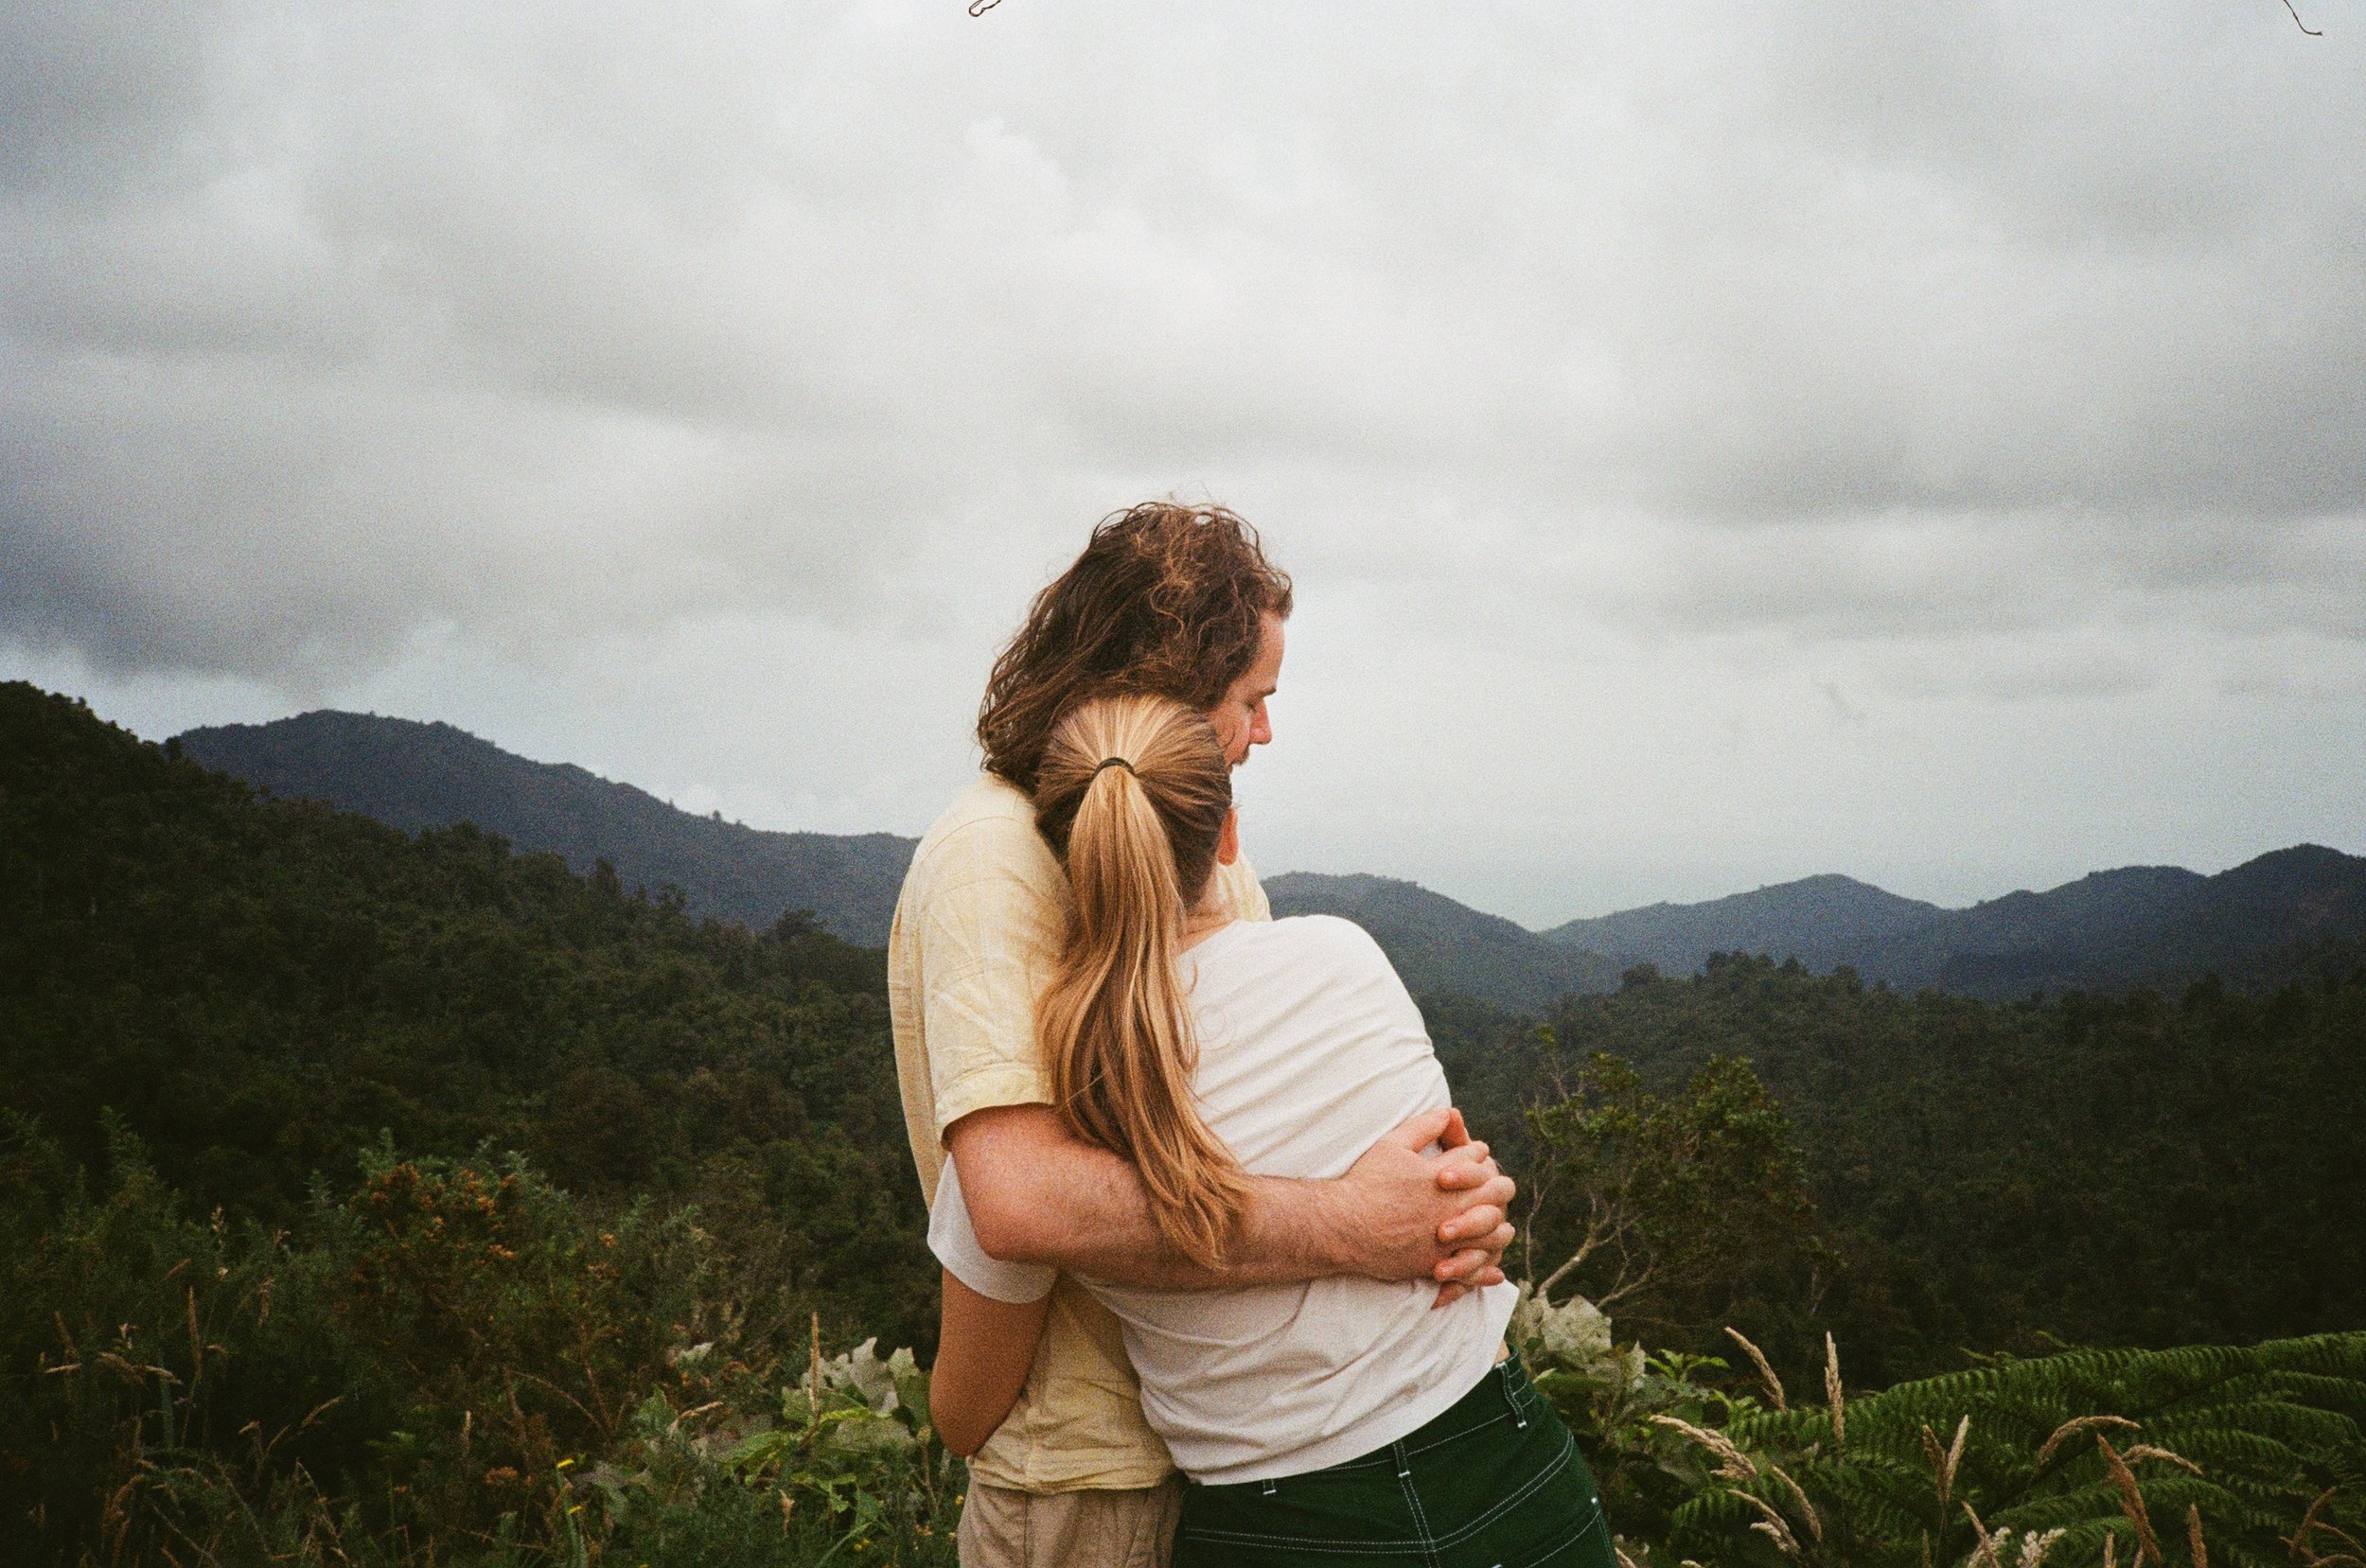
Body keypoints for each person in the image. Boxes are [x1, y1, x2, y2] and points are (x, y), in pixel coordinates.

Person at [889, 503, 1518, 1568]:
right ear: (1166, 687)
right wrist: (1359, 1225)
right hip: (1089, 1473)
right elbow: (1017, 1198)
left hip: (1227, 1444)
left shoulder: (1207, 859)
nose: (1263, 731)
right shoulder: (990, 856)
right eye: (1250, 699)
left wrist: (1448, 1212)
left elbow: (1243, 1107)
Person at [927, 693, 1616, 1568]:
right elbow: (1457, 1197)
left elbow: (966, 1409)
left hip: (1282, 1526)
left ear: (1071, 859)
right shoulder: (1348, 959)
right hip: (1513, 1474)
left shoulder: (1053, 1091)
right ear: (1225, 836)